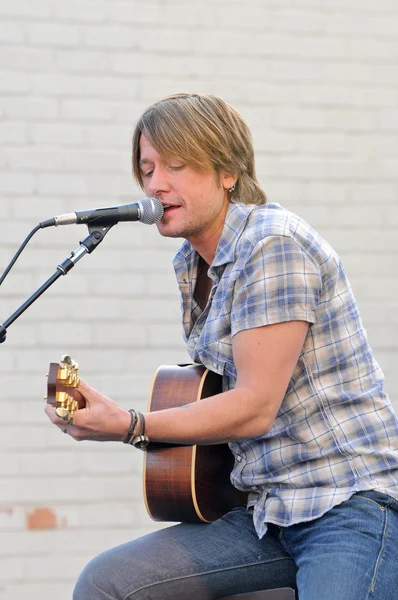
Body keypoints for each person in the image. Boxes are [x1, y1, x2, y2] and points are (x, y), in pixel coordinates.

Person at [45, 93, 398, 600]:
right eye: (146, 169)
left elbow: (254, 408)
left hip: (348, 505)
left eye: (177, 165)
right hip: (266, 515)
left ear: (228, 170)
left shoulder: (272, 244)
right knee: (108, 584)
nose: (155, 184)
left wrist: (130, 425)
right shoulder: (192, 264)